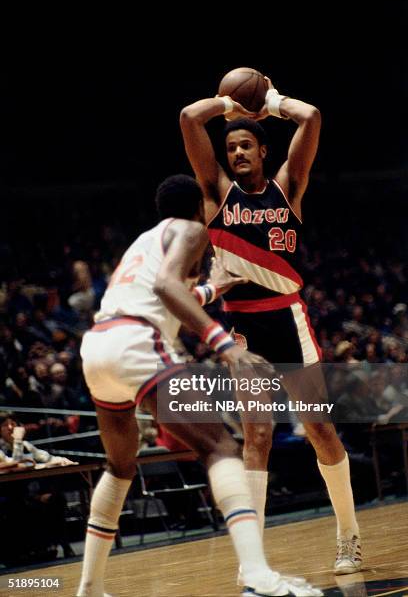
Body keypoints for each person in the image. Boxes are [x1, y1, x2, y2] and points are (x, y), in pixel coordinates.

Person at [77, 174, 321, 597]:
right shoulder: (191, 229)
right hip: (138, 343)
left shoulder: (146, 240)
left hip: (98, 348)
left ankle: (90, 588)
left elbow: (170, 289)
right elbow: (167, 287)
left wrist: (216, 287)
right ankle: (259, 576)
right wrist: (227, 346)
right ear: (199, 208)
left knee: (120, 466)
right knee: (221, 448)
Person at [180, 81, 362, 575]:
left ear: (263, 149)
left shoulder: (288, 187)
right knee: (256, 436)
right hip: (246, 330)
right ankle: (253, 560)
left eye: (245, 145)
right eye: (230, 147)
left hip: (290, 319)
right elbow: (188, 119)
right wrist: (228, 104)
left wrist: (272, 102)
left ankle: (348, 536)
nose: (237, 152)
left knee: (320, 429)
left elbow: (313, 116)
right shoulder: (218, 193)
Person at [0, 413, 75, 564]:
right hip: (11, 495)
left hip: (33, 491)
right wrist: (19, 442)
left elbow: (45, 457)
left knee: (57, 499)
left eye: (13, 423)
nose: (10, 427)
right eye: (5, 425)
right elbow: (14, 464)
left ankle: (63, 545)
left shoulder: (27, 445)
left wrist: (62, 460)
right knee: (18, 507)